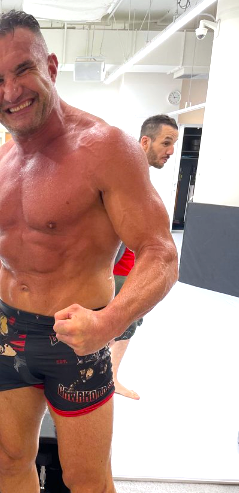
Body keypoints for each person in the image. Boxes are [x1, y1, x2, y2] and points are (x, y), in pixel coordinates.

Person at [0, 11, 178, 493]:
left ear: (50, 66)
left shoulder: (107, 147)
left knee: (86, 479)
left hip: (78, 339)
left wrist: (109, 323)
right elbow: (9, 246)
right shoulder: (4, 156)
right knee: (11, 458)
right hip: (11, 332)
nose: (11, 91)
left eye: (23, 70)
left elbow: (161, 253)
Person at [110, 114, 179, 400]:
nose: (171, 151)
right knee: (118, 321)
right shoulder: (123, 174)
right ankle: (102, 376)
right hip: (116, 269)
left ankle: (110, 376)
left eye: (174, 144)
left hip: (132, 265)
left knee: (129, 321)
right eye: (166, 142)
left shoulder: (139, 176)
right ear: (146, 141)